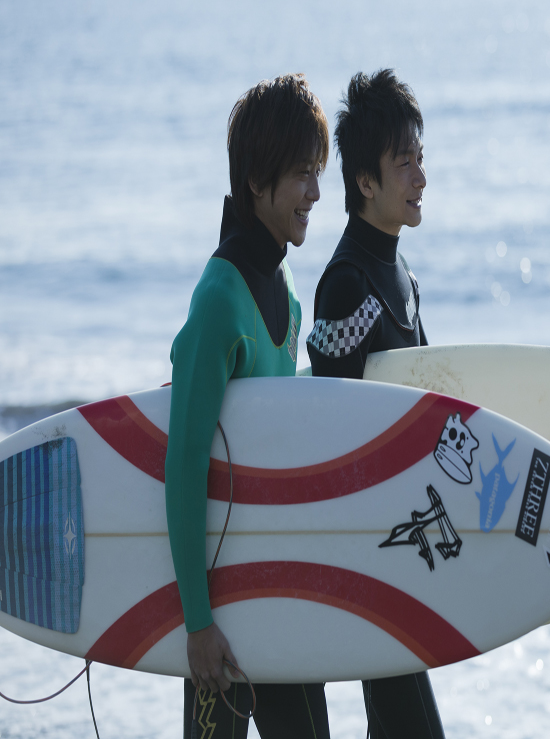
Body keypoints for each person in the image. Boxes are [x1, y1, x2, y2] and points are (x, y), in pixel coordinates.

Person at [165, 74, 331, 739]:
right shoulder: (218, 304)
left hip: (279, 596)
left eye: (318, 174)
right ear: (257, 180)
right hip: (224, 616)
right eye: (301, 175)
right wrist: (198, 623)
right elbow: (182, 470)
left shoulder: (283, 284)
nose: (316, 194)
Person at [306, 69, 443, 738]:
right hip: (370, 552)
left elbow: (428, 406)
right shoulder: (348, 283)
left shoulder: (402, 275)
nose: (420, 177)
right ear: (365, 182)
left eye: (421, 159)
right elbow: (331, 426)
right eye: (404, 164)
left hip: (408, 539)